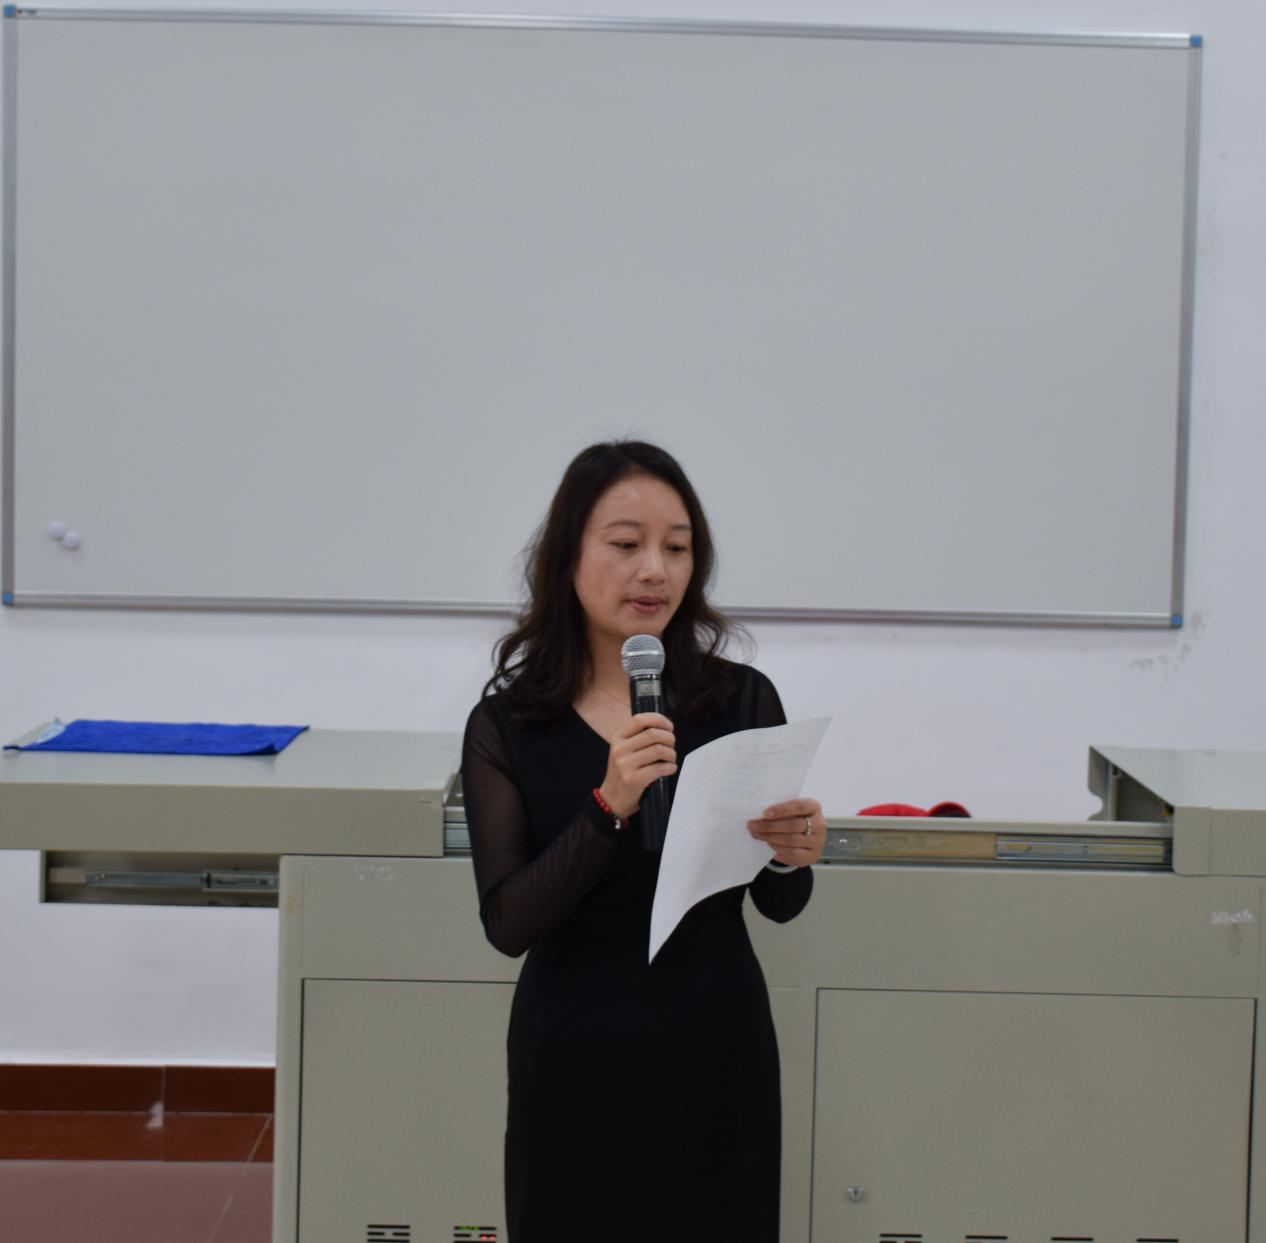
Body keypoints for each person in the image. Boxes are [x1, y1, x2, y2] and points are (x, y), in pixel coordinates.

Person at [461, 440, 824, 1242]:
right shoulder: (508, 723)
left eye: (677, 547)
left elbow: (781, 902)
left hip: (713, 1039)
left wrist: (790, 849)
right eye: (626, 543)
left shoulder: (740, 699)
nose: (654, 570)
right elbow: (509, 922)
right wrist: (607, 804)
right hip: (575, 1045)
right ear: (569, 554)